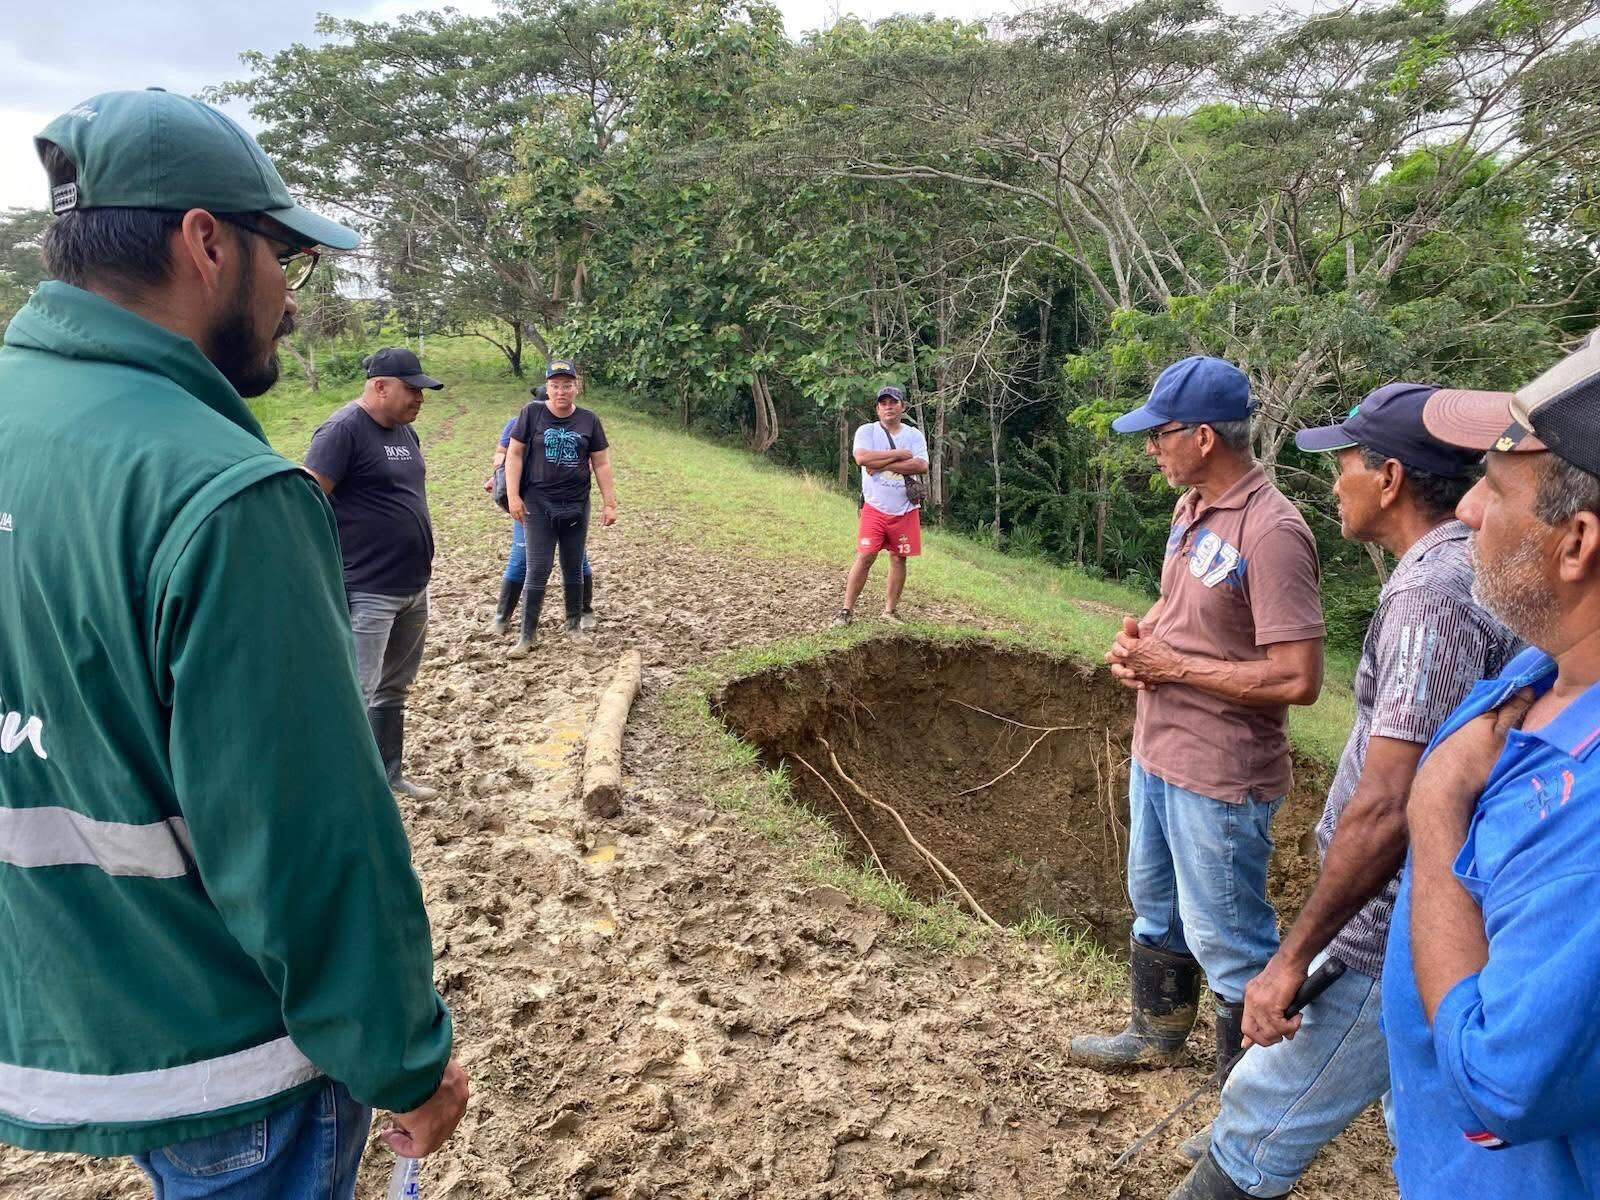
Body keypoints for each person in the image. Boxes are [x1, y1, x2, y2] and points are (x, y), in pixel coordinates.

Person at [0, 89, 466, 1198]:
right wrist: (402, 1061)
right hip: (221, 1052)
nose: (291, 303)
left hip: (55, 995)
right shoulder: (222, 493)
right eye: (287, 262)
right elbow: (306, 837)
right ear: (206, 242)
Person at [1167, 384, 1517, 1199]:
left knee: (1260, 1119)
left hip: (1390, 925)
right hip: (1449, 915)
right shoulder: (1475, 570)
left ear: (1390, 478)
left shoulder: (1431, 597)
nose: (1335, 483)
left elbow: (1389, 805)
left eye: (1346, 464)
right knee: (1423, 1126)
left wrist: (1292, 959)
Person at [1379, 333, 1600, 1196]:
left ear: (1577, 541)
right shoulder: (1537, 669)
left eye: (1496, 486)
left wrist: (1434, 812)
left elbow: (1501, 1082)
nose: (1467, 509)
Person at [1070, 356, 1325, 1077]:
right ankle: (1154, 1036)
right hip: (1160, 750)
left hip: (1220, 770)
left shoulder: (1273, 531)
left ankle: (1244, 1096)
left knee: (1230, 937)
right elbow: (1178, 613)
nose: (1150, 445)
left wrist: (1174, 669)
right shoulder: (1191, 509)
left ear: (1205, 436)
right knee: (1156, 905)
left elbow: (1299, 679)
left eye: (1161, 433)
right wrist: (1139, 642)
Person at [304, 345, 444, 801]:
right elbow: (306, 505)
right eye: (412, 390)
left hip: (412, 586)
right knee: (355, 692)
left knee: (393, 687)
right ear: (379, 387)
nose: (419, 399)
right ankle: (344, 787)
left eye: (422, 391)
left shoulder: (405, 432)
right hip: (366, 589)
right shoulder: (342, 431)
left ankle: (389, 776)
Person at [504, 358, 617, 653]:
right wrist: (514, 496)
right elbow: (514, 454)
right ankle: (526, 636)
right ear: (547, 388)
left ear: (576, 387)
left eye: (567, 385)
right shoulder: (531, 413)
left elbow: (601, 463)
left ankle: (574, 626)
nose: (561, 391)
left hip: (577, 503)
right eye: (555, 386)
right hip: (538, 503)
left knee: (573, 566)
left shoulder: (589, 420)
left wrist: (610, 503)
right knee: (537, 568)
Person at [488, 384, 595, 634]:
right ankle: (502, 617)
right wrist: (502, 481)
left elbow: (591, 460)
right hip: (531, 500)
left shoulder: (580, 422)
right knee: (522, 558)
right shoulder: (518, 421)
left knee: (577, 560)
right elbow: (502, 455)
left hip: (569, 503)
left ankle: (583, 611)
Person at [832, 385, 929, 627]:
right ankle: (846, 610)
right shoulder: (867, 431)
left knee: (899, 559)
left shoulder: (913, 435)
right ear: (877, 408)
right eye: (883, 403)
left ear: (902, 407)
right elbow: (862, 459)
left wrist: (882, 463)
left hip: (905, 508)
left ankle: (889, 611)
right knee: (865, 556)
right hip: (874, 506)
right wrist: (899, 456)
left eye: (893, 402)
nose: (888, 406)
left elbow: (921, 466)